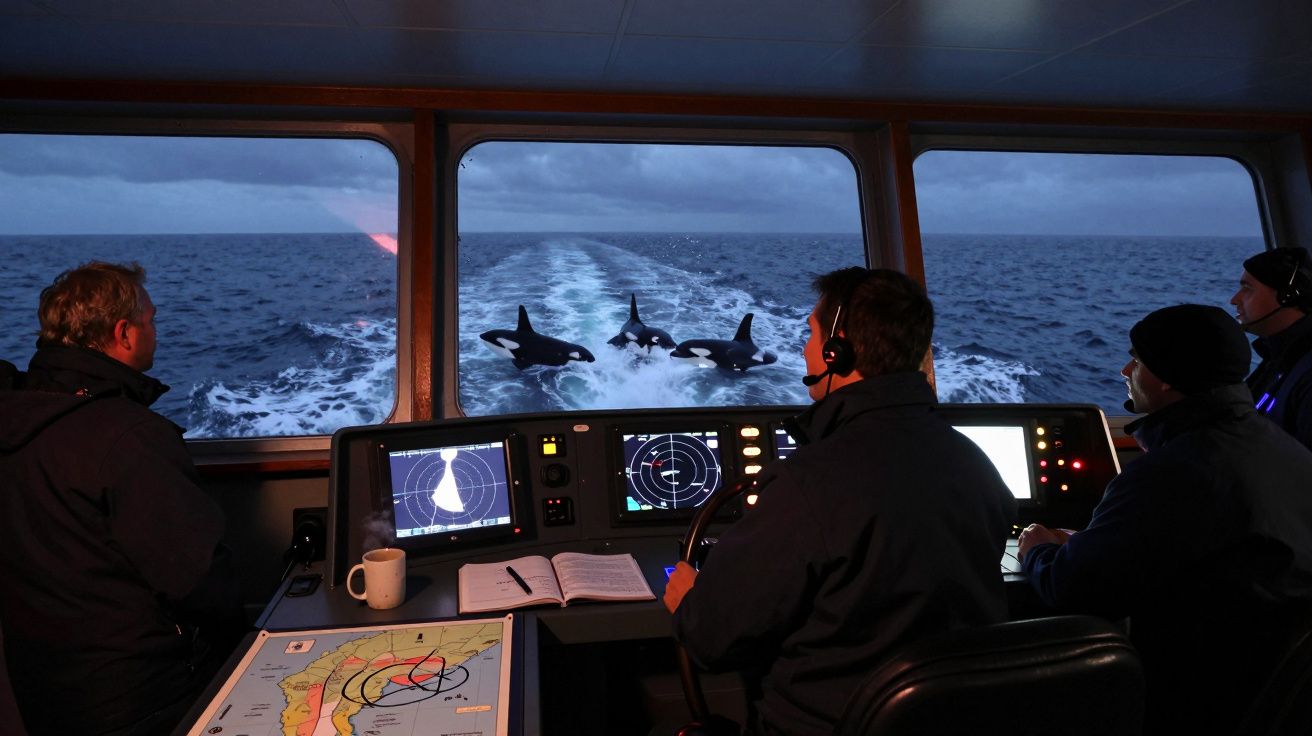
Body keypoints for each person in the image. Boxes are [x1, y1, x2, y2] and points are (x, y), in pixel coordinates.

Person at [663, 267, 1017, 735]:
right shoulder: (977, 465)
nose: (805, 349)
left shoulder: (808, 483)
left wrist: (688, 599)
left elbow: (713, 640)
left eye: (811, 335)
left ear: (837, 350)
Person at [1019, 304, 1312, 734]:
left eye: (1136, 360)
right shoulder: (1286, 452)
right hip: (1271, 695)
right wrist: (1089, 543)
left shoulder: (1172, 473)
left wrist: (1038, 548)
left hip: (1195, 701)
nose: (1125, 369)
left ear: (1166, 378)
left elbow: (1073, 587)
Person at [0, 262, 243, 736]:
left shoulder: (16, 417)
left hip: (43, 693)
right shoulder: (128, 437)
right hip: (143, 699)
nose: (155, 331)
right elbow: (199, 582)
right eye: (151, 321)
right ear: (124, 333)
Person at [1231, 246, 1312, 450]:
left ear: (1288, 296)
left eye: (1247, 289)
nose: (1235, 299)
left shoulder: (1305, 372)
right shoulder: (1279, 359)